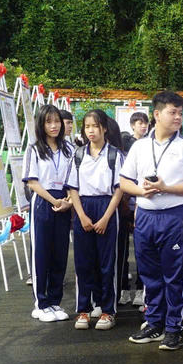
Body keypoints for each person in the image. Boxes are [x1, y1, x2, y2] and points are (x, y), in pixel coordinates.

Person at [120, 91, 183, 350]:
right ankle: (154, 322)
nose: (178, 117)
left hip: (174, 215)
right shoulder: (140, 146)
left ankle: (174, 327)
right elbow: (124, 182)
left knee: (174, 274)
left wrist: (166, 188)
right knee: (149, 273)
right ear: (156, 114)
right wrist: (141, 191)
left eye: (180, 113)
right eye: (172, 112)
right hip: (145, 215)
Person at [66, 110, 123, 331]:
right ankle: (84, 309)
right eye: (87, 126)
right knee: (83, 262)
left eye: (95, 126)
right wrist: (81, 215)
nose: (91, 131)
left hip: (107, 206)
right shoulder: (78, 154)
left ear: (104, 128)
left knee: (107, 263)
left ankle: (108, 310)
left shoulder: (115, 155)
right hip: (83, 207)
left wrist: (106, 217)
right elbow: (72, 188)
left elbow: (119, 189)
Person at [25, 104, 74, 323]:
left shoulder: (69, 149)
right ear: (41, 124)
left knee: (60, 254)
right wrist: (54, 201)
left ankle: (55, 301)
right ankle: (41, 303)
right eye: (49, 122)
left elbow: (74, 180)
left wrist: (68, 202)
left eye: (57, 121)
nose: (54, 126)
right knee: (41, 254)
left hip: (64, 203)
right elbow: (32, 182)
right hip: (43, 203)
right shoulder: (34, 149)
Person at [118, 111, 151, 307]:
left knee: (142, 252)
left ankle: (140, 289)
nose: (143, 126)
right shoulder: (124, 150)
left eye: (145, 123)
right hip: (124, 208)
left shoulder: (148, 149)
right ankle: (123, 288)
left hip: (142, 207)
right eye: (139, 123)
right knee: (123, 250)